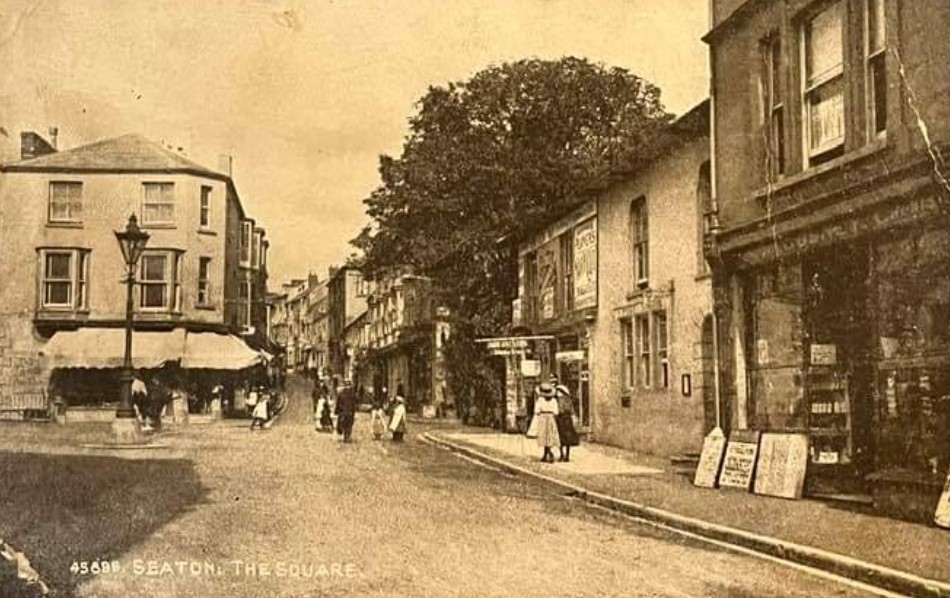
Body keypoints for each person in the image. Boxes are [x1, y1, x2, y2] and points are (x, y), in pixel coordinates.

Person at [551, 376, 579, 462]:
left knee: (567, 438)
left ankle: (566, 455)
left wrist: (573, 416)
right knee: (560, 438)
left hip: (566, 419)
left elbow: (571, 409)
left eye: (559, 391)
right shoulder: (556, 400)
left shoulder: (567, 400)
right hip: (560, 419)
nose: (558, 393)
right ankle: (562, 454)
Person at [533, 382, 560, 462]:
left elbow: (536, 411)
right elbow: (556, 412)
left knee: (544, 436)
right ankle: (546, 454)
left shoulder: (540, 400)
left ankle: (548, 453)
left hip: (543, 417)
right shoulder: (554, 401)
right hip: (551, 417)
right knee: (550, 436)